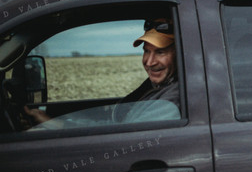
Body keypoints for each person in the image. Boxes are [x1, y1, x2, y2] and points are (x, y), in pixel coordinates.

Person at [25, 18, 180, 126]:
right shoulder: (156, 86)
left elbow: (120, 140)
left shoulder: (169, 104)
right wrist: (54, 124)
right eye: (146, 51)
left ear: (179, 54)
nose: (149, 62)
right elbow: (116, 125)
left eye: (160, 52)